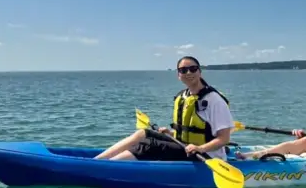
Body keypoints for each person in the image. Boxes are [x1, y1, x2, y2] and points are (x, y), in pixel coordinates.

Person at [95, 56, 235, 161]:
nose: (188, 73)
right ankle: (98, 161)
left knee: (149, 145)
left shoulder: (214, 100)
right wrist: (171, 133)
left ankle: (105, 167)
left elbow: (223, 139)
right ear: (178, 75)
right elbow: (189, 132)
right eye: (183, 70)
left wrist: (200, 148)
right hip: (185, 146)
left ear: (200, 72)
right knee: (143, 133)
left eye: (192, 69)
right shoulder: (183, 97)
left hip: (204, 155)